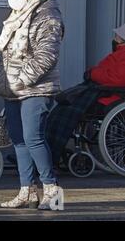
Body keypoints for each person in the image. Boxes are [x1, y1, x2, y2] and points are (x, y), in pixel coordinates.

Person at [0, 0, 64, 211]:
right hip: (13, 88)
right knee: (19, 139)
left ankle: (52, 190)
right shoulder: (19, 14)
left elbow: (47, 56)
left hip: (35, 88)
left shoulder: (48, 15)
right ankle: (27, 191)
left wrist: (22, 79)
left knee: (34, 138)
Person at [46, 24, 125, 166]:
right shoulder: (118, 53)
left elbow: (117, 79)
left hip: (110, 95)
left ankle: (51, 154)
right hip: (103, 90)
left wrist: (93, 73)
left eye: (117, 36)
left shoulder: (122, 54)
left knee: (67, 109)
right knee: (63, 107)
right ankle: (49, 152)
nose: (114, 38)